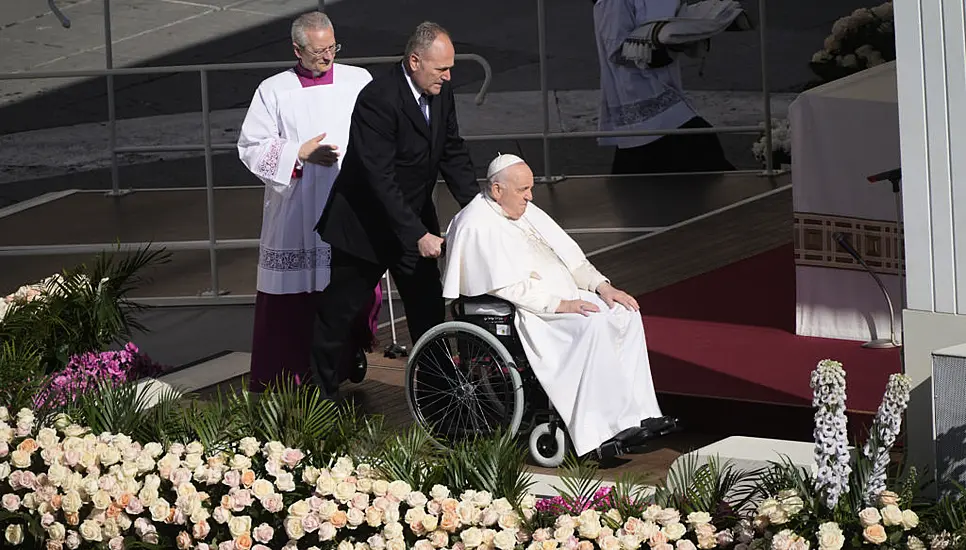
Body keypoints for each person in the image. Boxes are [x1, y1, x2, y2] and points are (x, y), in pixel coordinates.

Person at [441, 153, 675, 458]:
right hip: (530, 310)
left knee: (624, 312)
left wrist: (603, 287)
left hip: (565, 296)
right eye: (523, 190)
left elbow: (572, 259)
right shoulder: (475, 223)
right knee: (591, 325)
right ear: (497, 191)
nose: (530, 196)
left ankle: (639, 413)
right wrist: (561, 303)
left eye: (530, 188)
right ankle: (597, 432)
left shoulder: (525, 211)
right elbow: (506, 287)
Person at [310, 21, 479, 398]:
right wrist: (416, 233)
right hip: (364, 227)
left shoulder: (440, 92)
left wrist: (477, 208)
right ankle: (316, 399)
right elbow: (379, 178)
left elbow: (451, 150)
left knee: (428, 311)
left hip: (411, 221)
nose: (448, 77)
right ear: (415, 61)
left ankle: (437, 399)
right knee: (339, 313)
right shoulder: (378, 99)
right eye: (441, 69)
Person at [237, 11, 382, 393]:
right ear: (296, 49)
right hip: (297, 208)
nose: (327, 57)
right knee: (293, 299)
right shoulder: (274, 90)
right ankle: (285, 373)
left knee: (348, 287)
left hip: (349, 200)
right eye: (318, 51)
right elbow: (251, 146)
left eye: (332, 47)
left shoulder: (358, 80)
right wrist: (298, 154)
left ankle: (344, 361)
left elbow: (381, 128)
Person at [592, 0, 735, 174]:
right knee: (702, 154)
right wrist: (660, 43)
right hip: (639, 96)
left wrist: (695, 29)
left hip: (666, 94)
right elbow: (616, 49)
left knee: (635, 181)